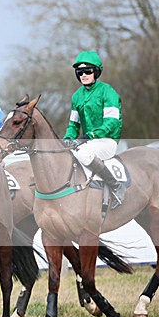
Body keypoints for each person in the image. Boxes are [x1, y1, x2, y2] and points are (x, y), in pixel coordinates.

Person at [63, 50, 125, 209]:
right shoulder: (77, 96)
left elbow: (112, 122)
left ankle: (116, 185)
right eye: (79, 72)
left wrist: (91, 135)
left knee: (82, 153)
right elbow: (73, 125)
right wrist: (68, 138)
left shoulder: (107, 91)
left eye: (87, 71)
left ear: (96, 72)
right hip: (88, 141)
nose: (83, 75)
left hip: (107, 141)